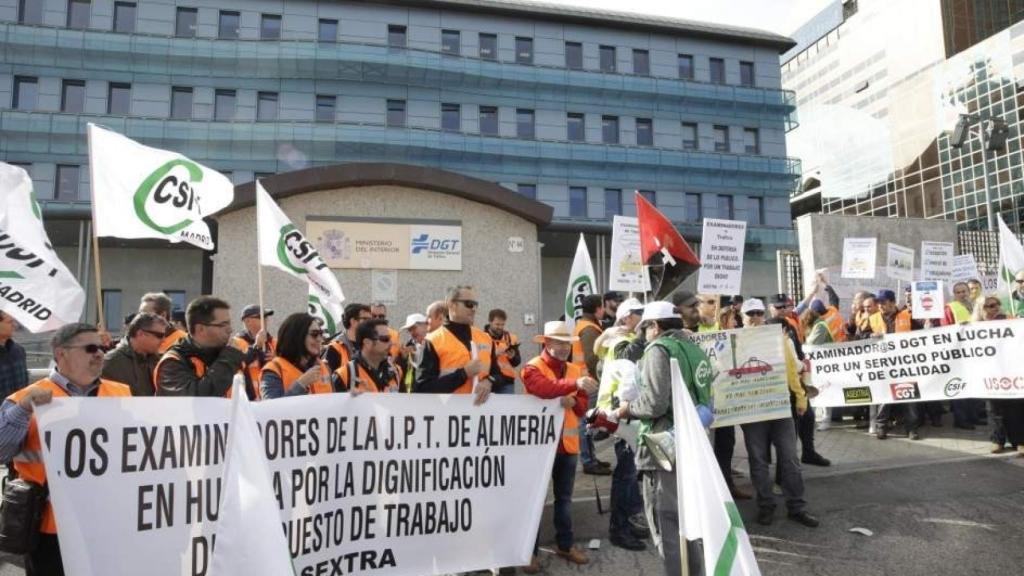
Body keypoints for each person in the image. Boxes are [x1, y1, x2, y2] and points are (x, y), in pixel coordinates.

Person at [0, 323, 131, 574]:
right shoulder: (24, 400)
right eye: (90, 348)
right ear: (61, 354)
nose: (100, 354)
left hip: (108, 522)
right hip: (50, 527)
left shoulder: (121, 393)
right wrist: (23, 412)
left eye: (102, 347)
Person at [614, 301, 713, 576]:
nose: (644, 334)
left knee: (665, 521)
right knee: (687, 520)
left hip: (663, 446)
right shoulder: (694, 348)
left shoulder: (659, 349)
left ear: (654, 327)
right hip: (691, 442)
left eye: (644, 328)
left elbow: (655, 404)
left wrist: (626, 409)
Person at [521, 321, 597, 571]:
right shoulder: (532, 367)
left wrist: (572, 398)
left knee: (564, 499)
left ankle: (565, 545)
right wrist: (573, 388)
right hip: (540, 446)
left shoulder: (575, 369)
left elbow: (583, 407)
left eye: (567, 343)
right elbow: (542, 388)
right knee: (534, 501)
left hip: (568, 445)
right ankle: (527, 552)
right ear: (547, 342)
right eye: (559, 342)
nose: (564, 347)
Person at [742, 312, 819, 528]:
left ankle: (797, 507)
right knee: (758, 461)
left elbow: (792, 372)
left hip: (780, 408)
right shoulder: (739, 343)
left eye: (758, 314)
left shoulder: (782, 342)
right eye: (750, 315)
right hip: (752, 411)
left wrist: (801, 398)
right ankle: (766, 506)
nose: (755, 318)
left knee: (790, 459)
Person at [592, 297, 649, 551]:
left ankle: (626, 521)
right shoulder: (621, 342)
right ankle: (619, 529)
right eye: (639, 314)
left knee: (630, 473)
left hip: (624, 415)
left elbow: (598, 350)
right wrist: (642, 337)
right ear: (626, 318)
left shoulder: (614, 338)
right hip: (622, 416)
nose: (644, 319)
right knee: (625, 476)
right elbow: (626, 361)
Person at [413, 285, 493, 405]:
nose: (474, 309)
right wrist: (463, 374)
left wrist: (489, 381)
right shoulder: (433, 341)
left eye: (476, 305)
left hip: (481, 415)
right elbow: (422, 388)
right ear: (451, 304)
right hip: (448, 416)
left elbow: (498, 373)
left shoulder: (485, 338)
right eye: (469, 304)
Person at [154, 296, 245, 397]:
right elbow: (196, 400)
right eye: (223, 325)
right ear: (200, 329)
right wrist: (228, 359)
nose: (230, 330)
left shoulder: (227, 355)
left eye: (229, 324)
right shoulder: (172, 364)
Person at [869, 289, 921, 440]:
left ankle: (912, 429)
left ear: (892, 302)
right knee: (885, 398)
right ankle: (881, 428)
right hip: (884, 365)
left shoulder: (907, 316)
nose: (880, 306)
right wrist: (870, 336)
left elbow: (923, 335)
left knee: (909, 397)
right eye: (878, 303)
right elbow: (860, 337)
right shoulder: (873, 319)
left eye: (883, 303)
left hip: (905, 364)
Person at [572, 294, 608, 475]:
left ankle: (591, 458)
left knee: (588, 421)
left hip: (587, 380)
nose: (604, 309)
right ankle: (588, 461)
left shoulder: (586, 325)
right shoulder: (589, 329)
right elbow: (592, 358)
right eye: (602, 306)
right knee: (586, 422)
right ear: (596, 309)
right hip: (590, 381)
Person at [261, 313, 332, 399]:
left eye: (321, 334)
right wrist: (301, 384)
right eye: (314, 334)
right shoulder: (274, 371)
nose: (319, 339)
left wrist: (350, 398)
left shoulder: (323, 367)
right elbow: (271, 409)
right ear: (296, 336)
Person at [101, 312, 168, 396]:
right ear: (140, 334)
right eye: (159, 335)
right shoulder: (111, 362)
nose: (164, 340)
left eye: (164, 335)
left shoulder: (160, 361)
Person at [333, 319, 402, 393]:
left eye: (390, 338)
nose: (391, 343)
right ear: (367, 343)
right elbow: (330, 403)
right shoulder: (344, 375)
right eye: (385, 339)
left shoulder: (396, 372)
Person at [232, 305, 276, 400]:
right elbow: (237, 364)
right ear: (247, 321)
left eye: (266, 317)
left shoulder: (274, 342)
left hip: (270, 398)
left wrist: (277, 359)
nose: (265, 320)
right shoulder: (236, 343)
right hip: (247, 400)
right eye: (261, 317)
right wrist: (257, 346)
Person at [324, 303, 371, 374]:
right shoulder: (335, 347)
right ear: (353, 321)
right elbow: (327, 379)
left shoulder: (370, 345)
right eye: (365, 319)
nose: (371, 323)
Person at [485, 309, 521, 394]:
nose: (500, 327)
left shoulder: (511, 337)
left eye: (502, 324)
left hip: (507, 382)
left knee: (507, 408)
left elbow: (517, 362)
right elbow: (478, 358)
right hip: (489, 381)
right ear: (490, 322)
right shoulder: (482, 337)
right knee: (488, 408)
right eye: (497, 324)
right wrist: (494, 354)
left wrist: (512, 358)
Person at [0, 310, 29, 397]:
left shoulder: (19, 350)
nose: (15, 325)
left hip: (21, 408)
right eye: (10, 322)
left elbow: (24, 383)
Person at [398, 313, 428, 392]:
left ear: (426, 325)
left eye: (414, 328)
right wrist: (403, 358)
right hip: (413, 394)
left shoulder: (434, 344)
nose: (412, 332)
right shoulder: (408, 347)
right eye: (409, 330)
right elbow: (401, 375)